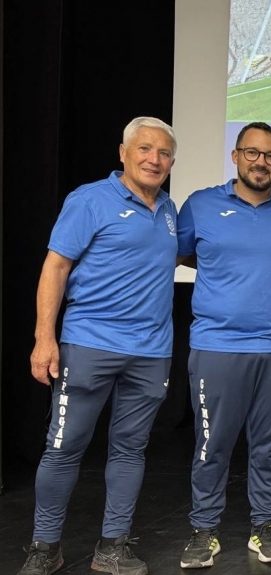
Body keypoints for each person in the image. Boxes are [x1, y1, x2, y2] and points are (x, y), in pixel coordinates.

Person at [20, 117, 179, 575]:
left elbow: (188, 253)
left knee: (129, 449)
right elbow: (55, 268)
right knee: (64, 447)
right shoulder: (90, 199)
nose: (154, 159)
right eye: (145, 149)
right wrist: (43, 338)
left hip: (151, 352)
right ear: (123, 153)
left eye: (164, 153)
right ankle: (44, 547)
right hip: (89, 345)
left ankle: (113, 547)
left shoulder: (168, 210)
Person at [175, 122, 271, 569]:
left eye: (270, 155)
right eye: (252, 153)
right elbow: (180, 254)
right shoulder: (201, 205)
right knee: (212, 443)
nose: (260, 162)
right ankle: (204, 531)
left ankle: (264, 526)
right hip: (217, 345)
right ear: (235, 156)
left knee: (269, 445)